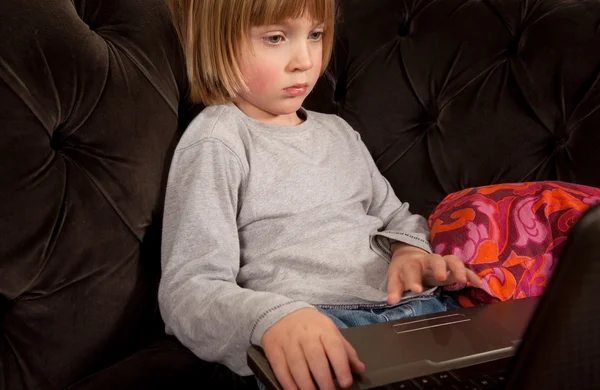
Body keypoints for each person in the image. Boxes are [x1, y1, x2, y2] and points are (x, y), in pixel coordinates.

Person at [160, 1, 482, 389]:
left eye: (315, 35)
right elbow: (187, 291)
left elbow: (396, 217)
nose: (305, 60)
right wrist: (276, 317)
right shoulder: (218, 139)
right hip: (319, 327)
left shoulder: (339, 132)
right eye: (276, 38)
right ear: (215, 43)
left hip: (422, 311)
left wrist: (410, 253)